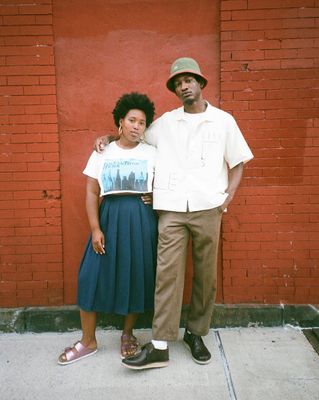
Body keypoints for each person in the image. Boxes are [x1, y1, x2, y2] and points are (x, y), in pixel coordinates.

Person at [95, 57, 254, 370]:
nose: (184, 86)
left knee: (205, 276)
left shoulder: (223, 121)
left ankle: (195, 333)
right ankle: (160, 344)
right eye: (178, 83)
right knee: (166, 274)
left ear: (200, 83)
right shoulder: (166, 122)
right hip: (171, 210)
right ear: (175, 89)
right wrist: (111, 137)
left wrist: (228, 196)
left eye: (189, 80)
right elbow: (135, 134)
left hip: (209, 206)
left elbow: (238, 162)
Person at [58, 92, 158, 365]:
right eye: (132, 120)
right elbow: (92, 192)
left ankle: (128, 334)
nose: (137, 126)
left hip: (141, 220)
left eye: (142, 122)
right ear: (121, 123)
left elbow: (168, 183)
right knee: (90, 275)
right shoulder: (103, 151)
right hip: (109, 217)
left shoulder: (152, 153)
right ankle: (88, 340)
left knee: (136, 276)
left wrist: (156, 196)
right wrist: (95, 228)